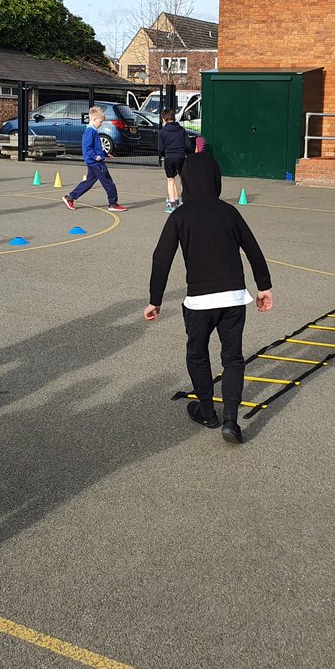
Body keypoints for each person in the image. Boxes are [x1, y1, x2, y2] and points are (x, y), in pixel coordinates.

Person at [144, 152, 273, 444]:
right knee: (233, 358)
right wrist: (263, 287)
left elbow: (161, 258)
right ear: (216, 180)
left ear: (186, 181)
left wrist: (155, 299)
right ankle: (230, 421)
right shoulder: (229, 212)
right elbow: (253, 250)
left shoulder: (180, 216)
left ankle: (207, 410)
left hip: (200, 302)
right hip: (233, 298)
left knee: (197, 354)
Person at [61, 106, 127, 212]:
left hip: (93, 162)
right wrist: (96, 156)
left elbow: (97, 147)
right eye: (100, 121)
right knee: (108, 183)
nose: (101, 124)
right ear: (94, 119)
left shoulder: (93, 131)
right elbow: (87, 148)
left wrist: (105, 154)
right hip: (95, 162)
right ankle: (113, 204)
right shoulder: (90, 132)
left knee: (88, 182)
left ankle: (70, 197)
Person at [158, 108, 191, 212]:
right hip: (181, 156)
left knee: (170, 180)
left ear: (163, 119)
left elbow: (160, 148)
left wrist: (164, 154)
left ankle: (173, 204)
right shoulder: (182, 130)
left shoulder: (162, 132)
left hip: (169, 157)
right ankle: (184, 201)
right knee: (183, 179)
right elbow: (188, 145)